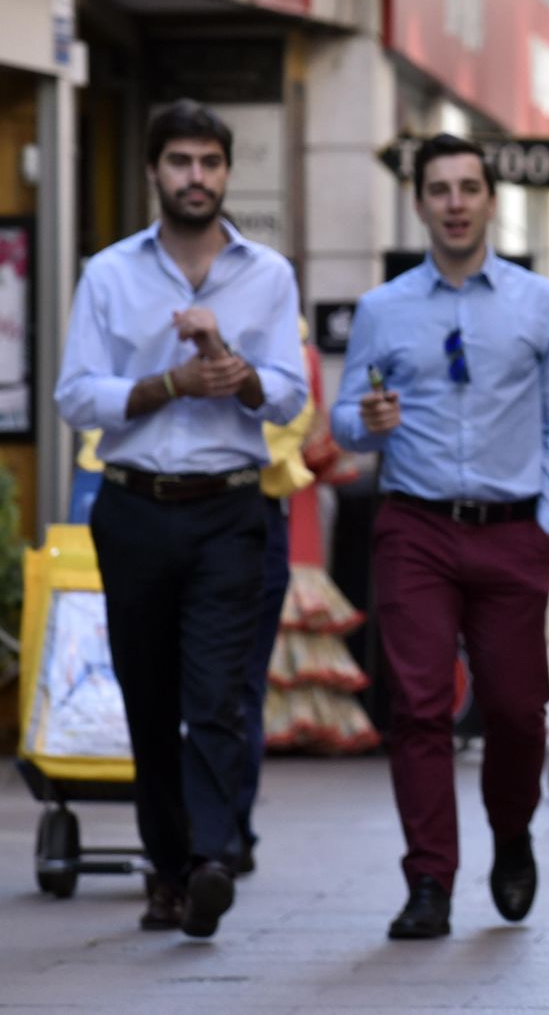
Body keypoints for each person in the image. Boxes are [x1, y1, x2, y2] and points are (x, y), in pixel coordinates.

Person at [54, 100, 307, 938]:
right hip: (134, 507)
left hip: (229, 508)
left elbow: (289, 394)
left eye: (210, 162)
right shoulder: (109, 273)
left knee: (219, 693)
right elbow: (74, 396)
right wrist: (168, 384)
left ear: (227, 172)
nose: (196, 177)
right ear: (154, 172)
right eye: (180, 162)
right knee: (150, 698)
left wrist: (234, 373)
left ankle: (210, 861)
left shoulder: (267, 274)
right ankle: (167, 868)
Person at [331, 132, 549, 941]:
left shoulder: (540, 304)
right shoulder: (384, 309)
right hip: (416, 527)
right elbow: (344, 418)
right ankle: (429, 879)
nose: (455, 203)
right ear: (419, 203)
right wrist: (365, 423)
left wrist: (546, 521)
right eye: (439, 190)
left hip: (512, 532)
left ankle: (511, 832)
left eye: (468, 188)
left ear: (490, 200)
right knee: (418, 705)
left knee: (517, 709)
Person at [236, 319, 318, 874]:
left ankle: (227, 830)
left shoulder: (283, 327)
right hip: (160, 509)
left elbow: (290, 423)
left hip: (252, 508)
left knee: (241, 684)